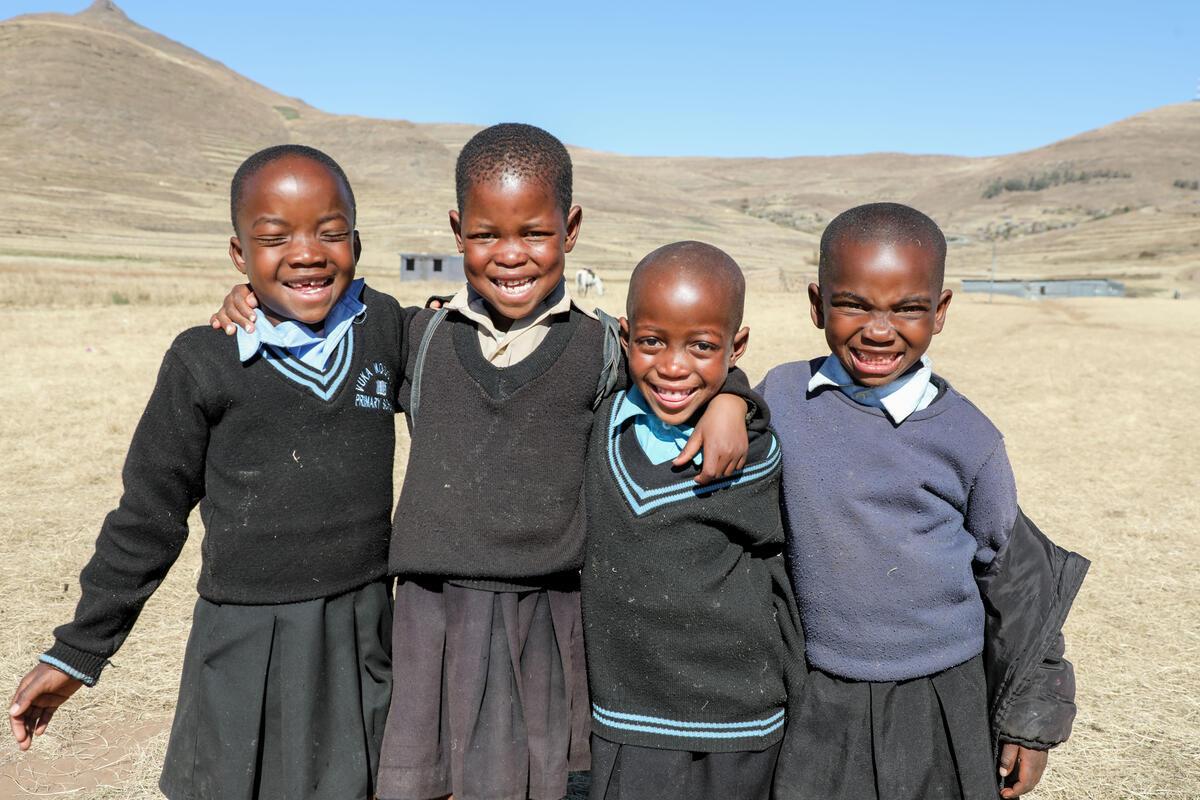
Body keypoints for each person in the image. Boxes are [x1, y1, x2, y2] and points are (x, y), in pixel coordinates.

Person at [211, 124, 755, 800]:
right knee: (424, 781)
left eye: (534, 233)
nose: (511, 255)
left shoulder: (604, 349)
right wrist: (248, 303)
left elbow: (686, 367)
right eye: (487, 234)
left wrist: (732, 395)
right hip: (431, 617)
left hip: (553, 615)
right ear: (457, 231)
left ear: (571, 228)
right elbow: (316, 314)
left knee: (547, 782)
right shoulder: (421, 338)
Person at [8, 145, 411, 799]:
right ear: (238, 255)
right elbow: (149, 513)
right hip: (245, 636)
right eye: (273, 238)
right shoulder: (206, 360)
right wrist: (80, 650)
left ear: (357, 243)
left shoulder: (385, 328)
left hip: (359, 630)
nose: (306, 252)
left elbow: (469, 358)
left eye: (330, 232)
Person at [759, 202, 1088, 800]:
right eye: (853, 303)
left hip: (939, 694)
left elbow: (1017, 581)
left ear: (939, 313)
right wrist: (732, 401)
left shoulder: (969, 438)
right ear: (817, 305)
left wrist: (1032, 721)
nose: (879, 329)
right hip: (812, 689)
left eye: (907, 308)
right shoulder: (779, 396)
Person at [581, 242, 804, 800]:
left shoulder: (753, 452)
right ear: (626, 336)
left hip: (739, 722)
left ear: (737, 346)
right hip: (626, 716)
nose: (674, 366)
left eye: (702, 346)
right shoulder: (595, 422)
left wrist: (736, 396)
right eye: (652, 342)